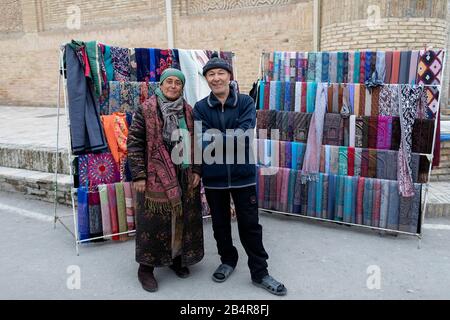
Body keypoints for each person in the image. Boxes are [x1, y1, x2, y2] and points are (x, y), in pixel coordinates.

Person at [193, 53, 287, 296]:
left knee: (250, 225)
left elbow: (244, 135)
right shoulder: (200, 108)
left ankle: (260, 272)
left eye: (220, 73)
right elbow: (201, 140)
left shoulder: (245, 103)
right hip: (214, 178)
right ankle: (228, 260)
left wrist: (216, 139)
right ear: (206, 79)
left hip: (243, 175)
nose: (216, 78)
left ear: (229, 76)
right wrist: (224, 139)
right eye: (211, 74)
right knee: (220, 224)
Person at [127, 68, 204, 292]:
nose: (173, 86)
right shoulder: (147, 109)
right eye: (168, 82)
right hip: (155, 175)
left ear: (182, 87)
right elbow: (134, 143)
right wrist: (139, 174)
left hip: (184, 173)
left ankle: (177, 259)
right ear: (160, 86)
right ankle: (146, 268)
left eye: (177, 83)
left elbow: (197, 142)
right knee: (154, 223)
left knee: (182, 218)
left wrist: (197, 170)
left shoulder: (188, 111)